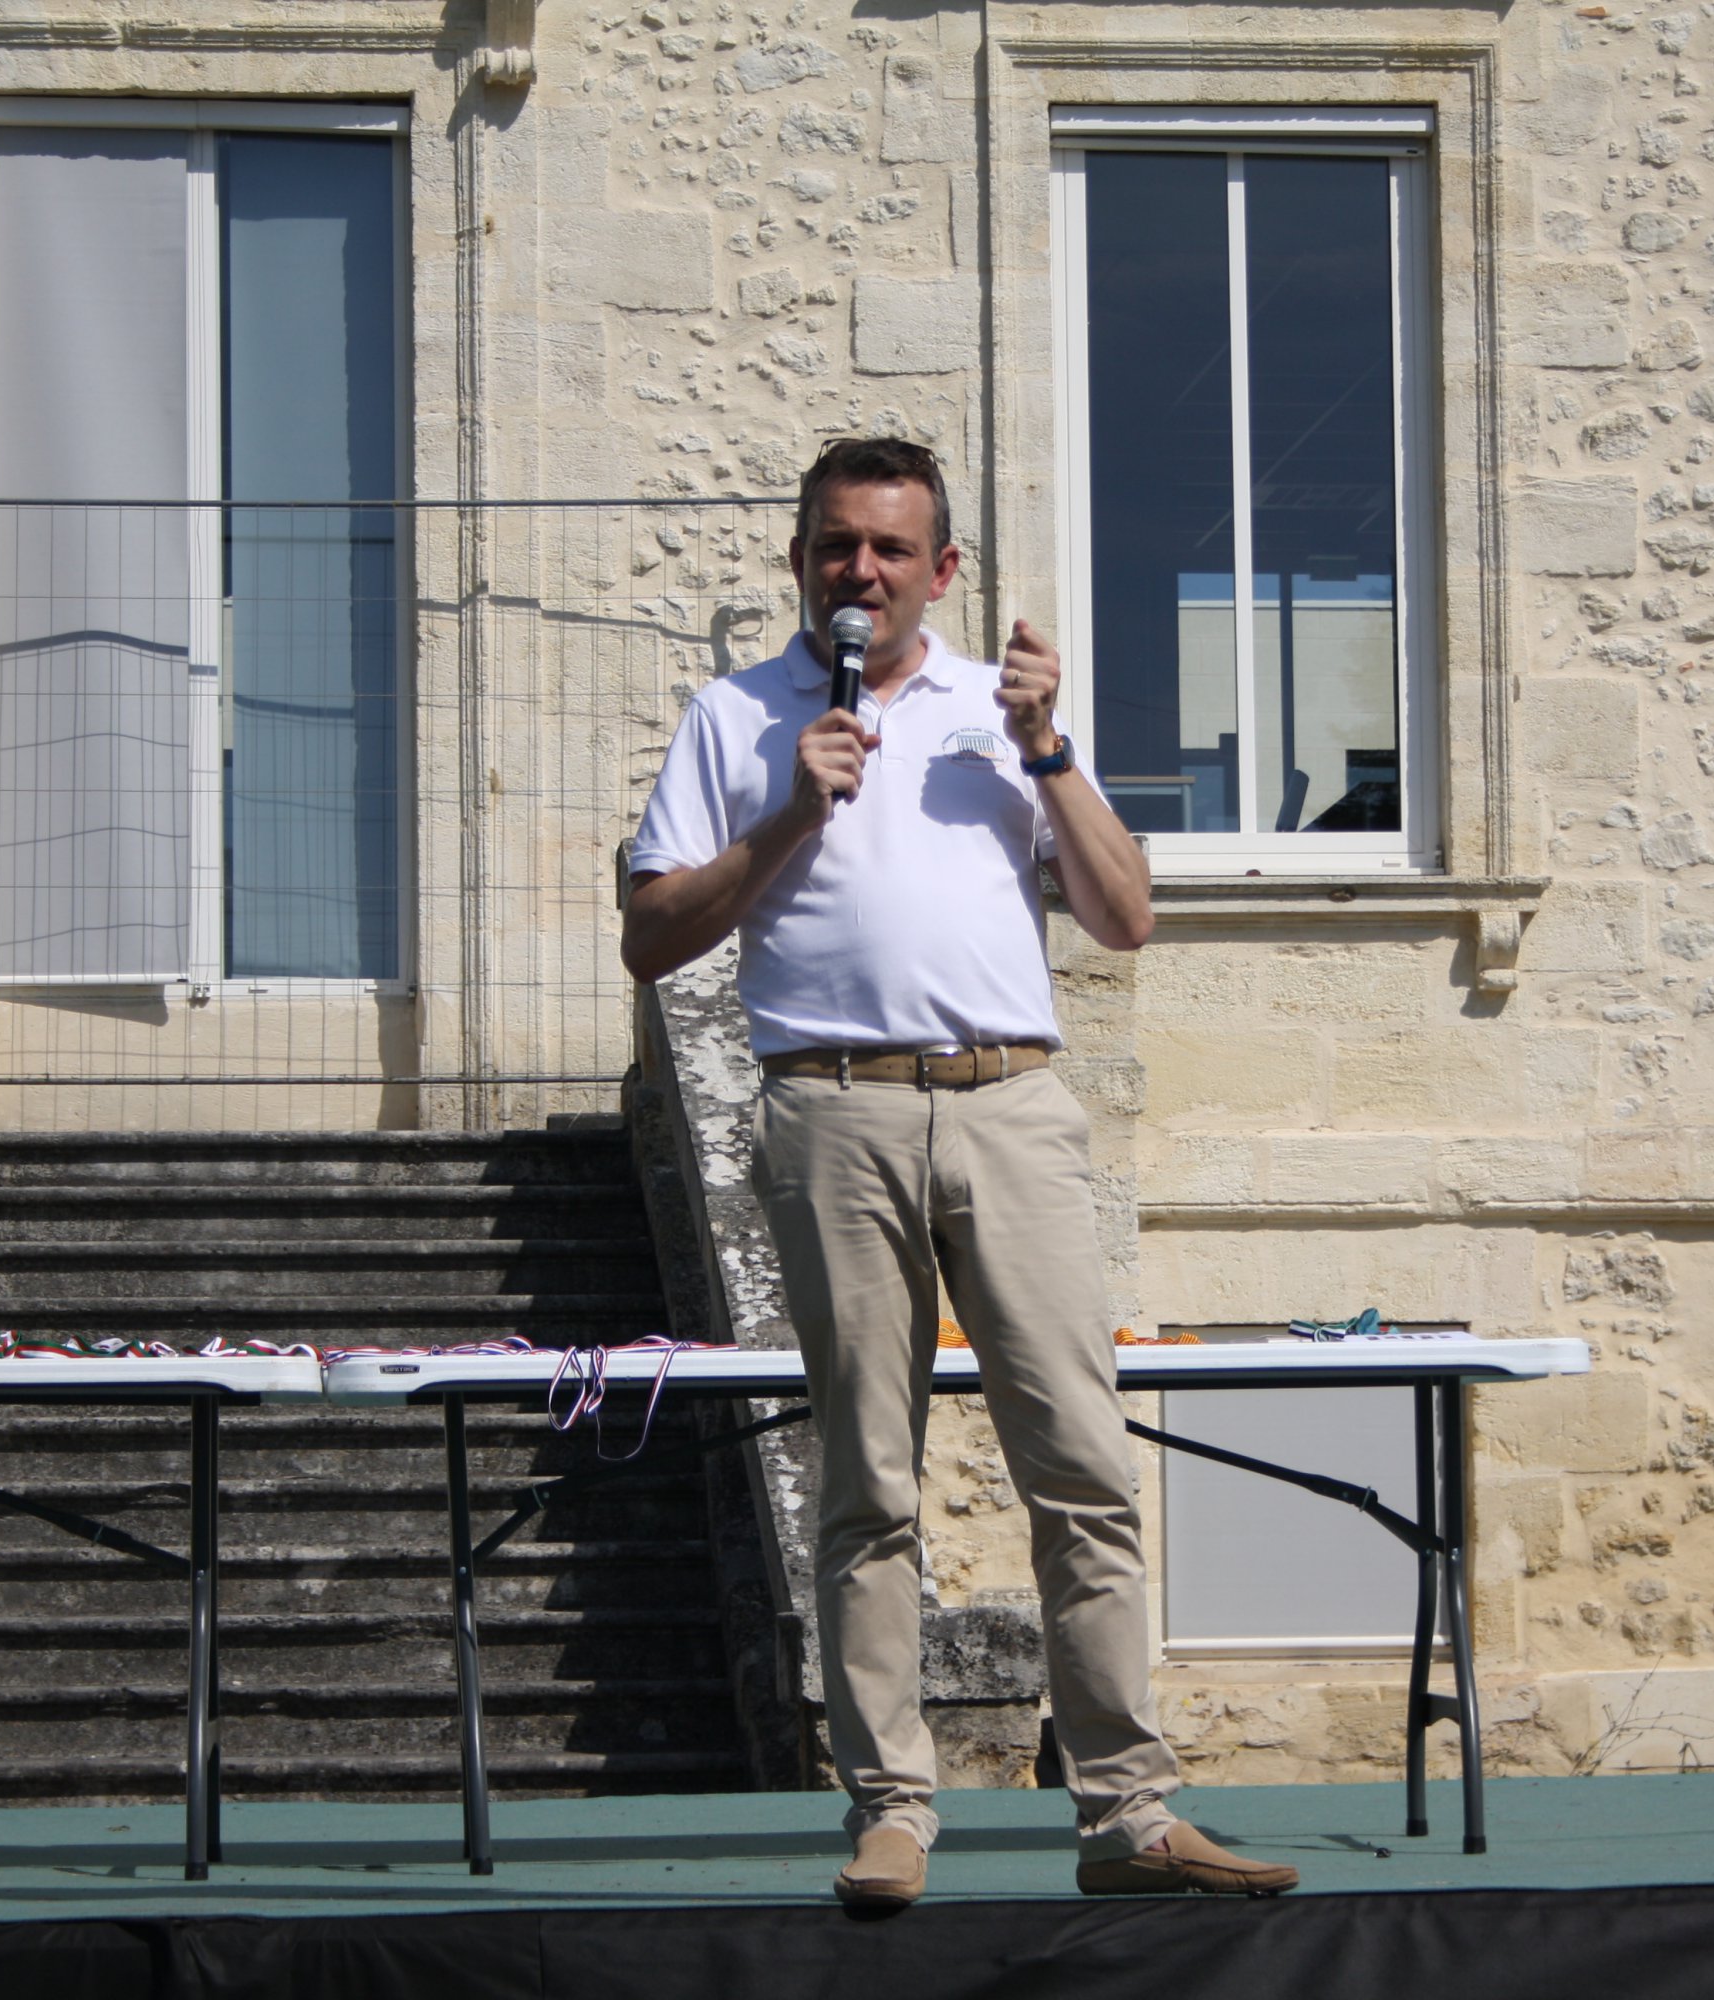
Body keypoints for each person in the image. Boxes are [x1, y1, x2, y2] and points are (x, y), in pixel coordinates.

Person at [621, 438, 1298, 1910]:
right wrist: (791, 814)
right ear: (800, 560)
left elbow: (1124, 917)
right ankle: (890, 1809)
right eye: (834, 545)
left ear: (942, 570)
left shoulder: (1004, 715)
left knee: (1083, 1466)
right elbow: (652, 937)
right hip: (834, 1112)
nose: (858, 571)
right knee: (866, 1480)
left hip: (1011, 1107)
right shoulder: (736, 716)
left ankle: (1127, 1814)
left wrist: (1048, 749)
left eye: (888, 548)